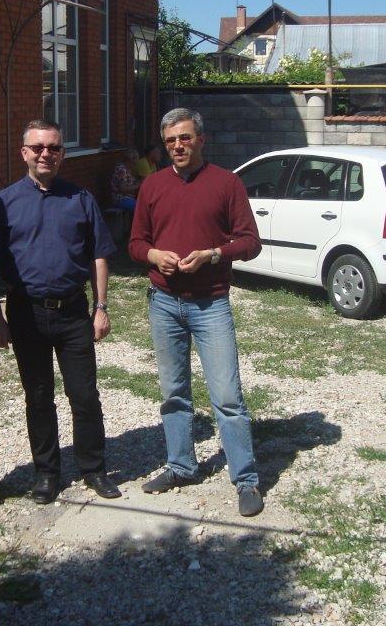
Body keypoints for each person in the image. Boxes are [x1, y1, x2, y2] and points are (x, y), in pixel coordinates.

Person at [128, 107, 265, 517]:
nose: (178, 146)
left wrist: (213, 254)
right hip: (164, 303)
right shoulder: (152, 185)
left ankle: (246, 480)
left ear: (201, 139)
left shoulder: (226, 183)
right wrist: (154, 255)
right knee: (173, 393)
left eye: (185, 138)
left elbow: (250, 242)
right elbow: (135, 243)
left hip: (211, 304)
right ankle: (182, 466)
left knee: (227, 396)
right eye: (170, 140)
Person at [0, 120, 121, 505]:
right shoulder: (2, 203)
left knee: (84, 395)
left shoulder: (81, 199)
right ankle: (47, 472)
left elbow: (98, 255)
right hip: (26, 313)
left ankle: (93, 468)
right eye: (38, 147)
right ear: (24, 152)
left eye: (54, 147)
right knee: (39, 396)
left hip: (73, 312)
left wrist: (101, 307)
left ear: (62, 153)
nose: (46, 154)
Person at [110, 147, 142, 212]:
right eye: (136, 160)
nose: (137, 162)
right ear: (130, 160)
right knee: (141, 208)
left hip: (129, 197)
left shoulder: (128, 169)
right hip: (121, 199)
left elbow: (130, 183)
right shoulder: (122, 170)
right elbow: (123, 189)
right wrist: (138, 185)